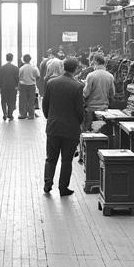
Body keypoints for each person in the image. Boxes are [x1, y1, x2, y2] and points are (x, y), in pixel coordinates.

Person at [42, 56, 84, 196]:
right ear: (76, 69)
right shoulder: (77, 86)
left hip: (53, 126)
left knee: (51, 158)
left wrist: (50, 117)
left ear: (63, 67)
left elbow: (45, 104)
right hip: (70, 129)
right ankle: (63, 188)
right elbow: (79, 110)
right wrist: (78, 122)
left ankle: (48, 184)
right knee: (66, 160)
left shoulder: (51, 83)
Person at [82, 53, 115, 131]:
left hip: (91, 110)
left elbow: (85, 93)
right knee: (103, 133)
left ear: (96, 62)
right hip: (104, 110)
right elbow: (112, 94)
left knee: (90, 134)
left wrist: (83, 85)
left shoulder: (91, 75)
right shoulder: (110, 76)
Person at [0, 52, 20, 120]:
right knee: (12, 101)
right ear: (12, 59)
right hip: (13, 88)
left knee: (4, 101)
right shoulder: (15, 68)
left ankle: (4, 114)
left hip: (4, 87)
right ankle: (10, 115)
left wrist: (1, 86)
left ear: (6, 58)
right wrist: (17, 86)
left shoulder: (2, 68)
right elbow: (17, 79)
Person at [18, 53, 39, 118]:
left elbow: (19, 77)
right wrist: (34, 81)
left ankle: (23, 114)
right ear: (30, 59)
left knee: (23, 100)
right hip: (32, 85)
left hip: (23, 86)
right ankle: (31, 115)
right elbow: (38, 76)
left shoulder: (21, 68)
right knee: (31, 101)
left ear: (24, 60)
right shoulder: (34, 68)